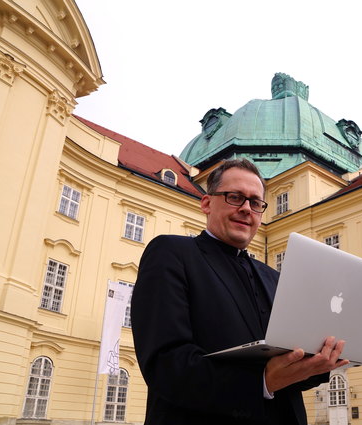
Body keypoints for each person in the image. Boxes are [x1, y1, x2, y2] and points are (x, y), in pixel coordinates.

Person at [131, 158, 348, 424]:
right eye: (235, 197)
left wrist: (319, 362)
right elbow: (166, 364)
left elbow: (289, 367)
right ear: (207, 203)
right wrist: (263, 381)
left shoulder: (274, 277)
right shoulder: (171, 253)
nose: (247, 208)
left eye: (256, 203)